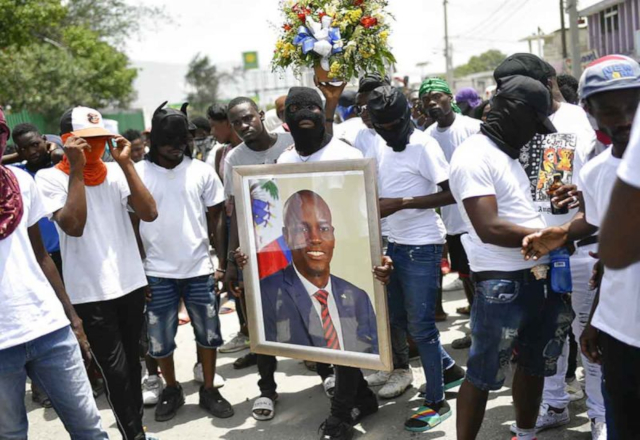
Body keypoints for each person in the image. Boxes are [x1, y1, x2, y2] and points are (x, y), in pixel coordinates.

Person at [522, 54, 640, 439]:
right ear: (590, 109)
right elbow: (605, 248)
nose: (625, 118)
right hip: (619, 329)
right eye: (610, 108)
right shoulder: (593, 170)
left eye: (633, 105)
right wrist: (558, 234)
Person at [449, 75, 573, 440]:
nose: (535, 133)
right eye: (533, 123)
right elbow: (488, 226)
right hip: (501, 283)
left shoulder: (508, 155)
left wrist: (554, 225)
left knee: (534, 367)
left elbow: (519, 213)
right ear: (512, 112)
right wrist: (552, 236)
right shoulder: (473, 155)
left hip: (540, 277)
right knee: (482, 375)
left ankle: (526, 434)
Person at [494, 54, 604, 438]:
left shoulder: (582, 121)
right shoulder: (515, 123)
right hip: (537, 252)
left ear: (546, 82)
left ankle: (600, 414)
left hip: (583, 246)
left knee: (588, 336)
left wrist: (581, 200)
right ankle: (554, 404)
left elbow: (604, 185)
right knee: (546, 338)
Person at [36, 106, 158, 440]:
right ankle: (134, 435)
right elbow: (73, 226)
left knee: (133, 364)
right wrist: (76, 169)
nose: (96, 146)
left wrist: (127, 164)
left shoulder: (115, 171)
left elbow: (149, 212)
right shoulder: (50, 178)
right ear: (68, 141)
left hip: (130, 284)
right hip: (91, 293)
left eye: (101, 138)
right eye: (86, 140)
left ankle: (137, 431)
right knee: (115, 373)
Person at [0, 107, 109, 440]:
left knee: (89, 428)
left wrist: (72, 317)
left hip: (50, 329)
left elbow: (41, 255)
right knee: (11, 434)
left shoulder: (21, 182)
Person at [367, 85, 465, 431]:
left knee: (422, 327)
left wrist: (401, 203)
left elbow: (452, 193)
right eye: (382, 127)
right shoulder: (379, 143)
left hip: (423, 245)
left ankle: (436, 402)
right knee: (399, 318)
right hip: (394, 243)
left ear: (407, 116)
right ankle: (449, 370)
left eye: (395, 125)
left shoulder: (424, 145)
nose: (390, 131)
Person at [132, 101, 233, 422]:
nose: (176, 147)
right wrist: (138, 270)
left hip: (199, 269)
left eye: (182, 141)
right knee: (160, 339)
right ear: (153, 142)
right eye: (169, 142)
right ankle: (172, 388)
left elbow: (217, 217)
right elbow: (131, 225)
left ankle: (208, 388)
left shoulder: (201, 171)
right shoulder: (138, 174)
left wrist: (220, 263)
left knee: (209, 333)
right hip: (155, 272)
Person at [222, 97, 294, 368]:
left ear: (261, 115)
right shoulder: (234, 158)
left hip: (296, 239)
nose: (244, 125)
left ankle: (319, 363)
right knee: (262, 313)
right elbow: (236, 211)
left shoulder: (290, 143)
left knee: (303, 304)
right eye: (236, 123)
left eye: (248, 118)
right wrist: (231, 261)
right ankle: (264, 369)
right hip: (261, 246)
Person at [261, 190, 378, 354]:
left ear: (333, 236)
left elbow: (373, 353)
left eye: (324, 228)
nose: (315, 238)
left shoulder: (358, 297)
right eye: (302, 229)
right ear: (286, 236)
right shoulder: (267, 294)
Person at [421, 78, 482, 350]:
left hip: (480, 216)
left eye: (437, 96)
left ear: (450, 97)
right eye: (426, 99)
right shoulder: (427, 137)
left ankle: (491, 333)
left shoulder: (473, 128)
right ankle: (477, 330)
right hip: (452, 220)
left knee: (484, 276)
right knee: (466, 276)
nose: (432, 102)